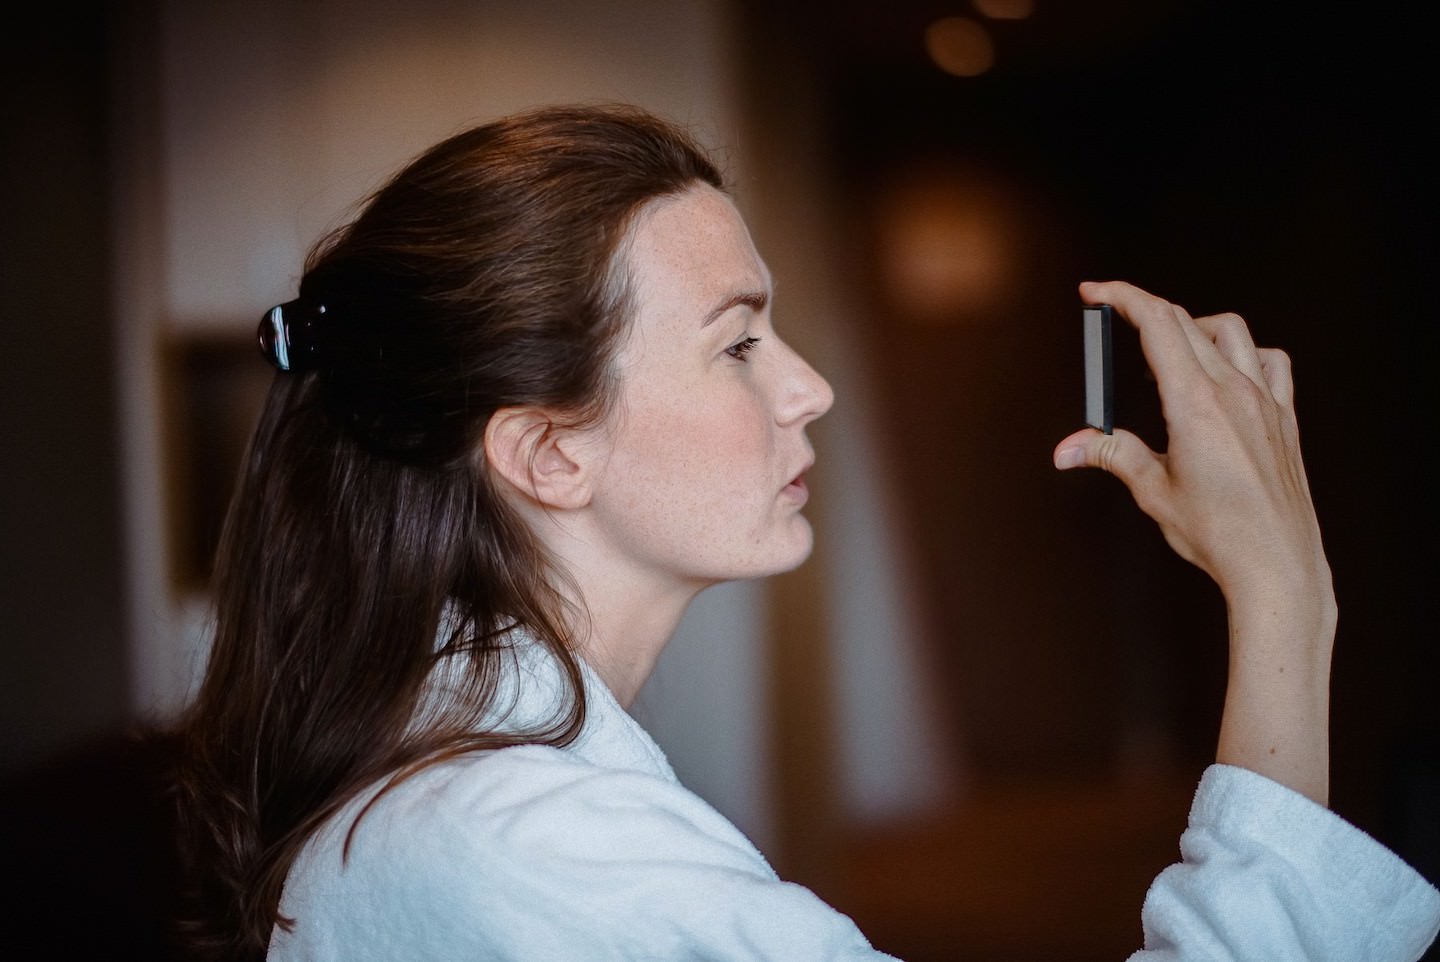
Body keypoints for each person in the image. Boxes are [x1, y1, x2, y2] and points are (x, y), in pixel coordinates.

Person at [174, 103, 1440, 961]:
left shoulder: (485, 801)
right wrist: (1285, 593)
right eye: (737, 341)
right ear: (548, 451)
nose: (810, 386)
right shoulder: (522, 848)